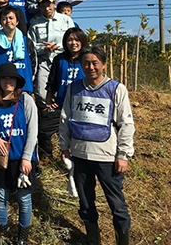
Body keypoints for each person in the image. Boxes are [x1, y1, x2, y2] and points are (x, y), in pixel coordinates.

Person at [59, 47, 134, 245]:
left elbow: (126, 123)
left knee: (116, 203)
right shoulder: (74, 88)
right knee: (85, 202)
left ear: (103, 64)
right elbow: (66, 118)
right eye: (86, 63)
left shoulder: (116, 89)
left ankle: (122, 240)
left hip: (107, 157)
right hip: (80, 154)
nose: (91, 67)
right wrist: (64, 145)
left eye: (95, 63)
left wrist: (123, 154)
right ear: (81, 65)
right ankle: (93, 240)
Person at [0, 63, 38, 245]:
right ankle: (3, 235)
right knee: (1, 197)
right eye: (5, 78)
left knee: (24, 198)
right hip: (1, 159)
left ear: (17, 81)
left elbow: (33, 131)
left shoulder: (25, 100)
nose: (8, 81)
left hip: (22, 159)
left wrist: (27, 157)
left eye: (12, 78)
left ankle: (22, 237)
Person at [28, 0, 75, 150]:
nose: (47, 7)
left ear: (54, 4)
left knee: (67, 94)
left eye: (50, 4)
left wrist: (59, 47)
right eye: (43, 4)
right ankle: (46, 137)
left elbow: (75, 40)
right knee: (42, 95)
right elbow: (31, 44)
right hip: (44, 61)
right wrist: (43, 47)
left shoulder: (66, 20)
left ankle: (66, 131)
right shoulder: (34, 22)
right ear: (39, 6)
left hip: (63, 61)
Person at [43, 27, 87, 157]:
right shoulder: (59, 59)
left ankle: (78, 158)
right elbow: (51, 83)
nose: (73, 43)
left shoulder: (87, 58)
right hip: (61, 105)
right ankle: (47, 157)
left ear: (82, 41)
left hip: (82, 106)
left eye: (77, 40)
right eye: (69, 40)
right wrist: (48, 102)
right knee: (43, 129)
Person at [0, 6, 36, 94]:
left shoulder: (26, 41)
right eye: (4, 19)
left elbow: (33, 65)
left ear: (17, 21)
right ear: (0, 22)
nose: (8, 21)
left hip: (23, 89)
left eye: (11, 18)